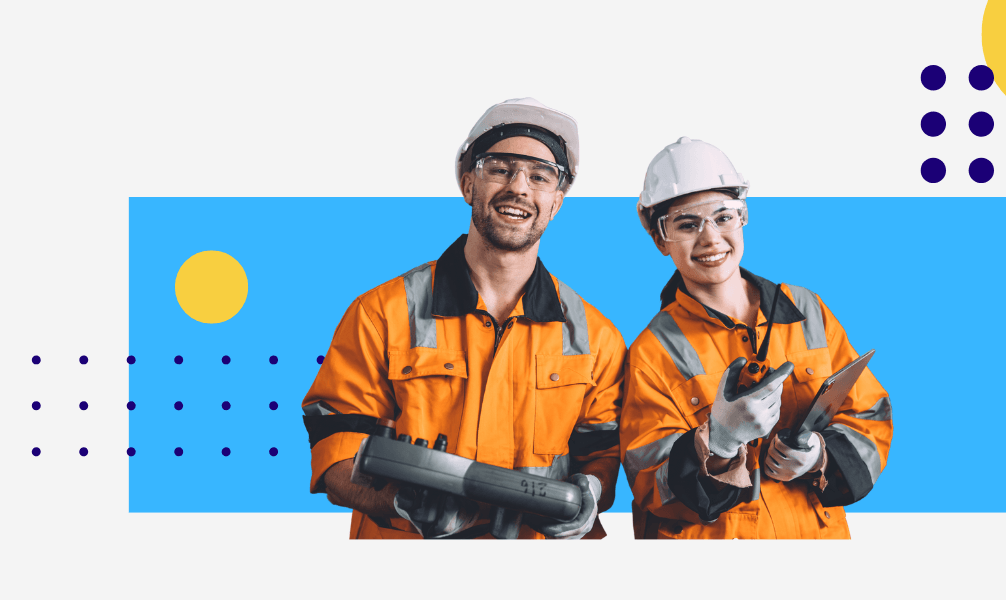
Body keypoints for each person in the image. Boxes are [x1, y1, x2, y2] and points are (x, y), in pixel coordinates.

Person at [301, 98, 625, 539]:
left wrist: (591, 491)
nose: (519, 188)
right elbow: (334, 445)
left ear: (556, 202)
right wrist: (395, 503)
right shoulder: (381, 314)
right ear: (468, 183)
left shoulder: (597, 338)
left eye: (540, 176)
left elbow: (600, 456)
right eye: (500, 169)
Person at [620, 137, 892, 539]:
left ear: (743, 216)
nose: (710, 238)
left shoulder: (806, 309)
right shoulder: (654, 351)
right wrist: (720, 443)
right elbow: (651, 481)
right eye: (687, 224)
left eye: (723, 216)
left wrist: (818, 456)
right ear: (661, 238)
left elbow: (870, 415)